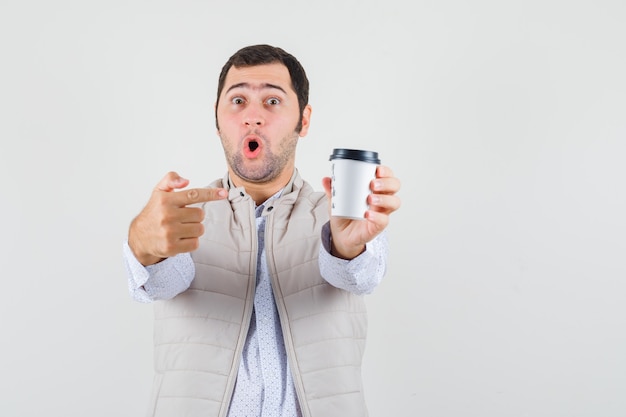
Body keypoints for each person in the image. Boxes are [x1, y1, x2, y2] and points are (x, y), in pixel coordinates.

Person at [123, 44, 401, 417]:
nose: (253, 117)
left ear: (303, 120)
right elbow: (160, 282)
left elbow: (363, 277)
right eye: (238, 101)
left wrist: (347, 249)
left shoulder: (341, 216)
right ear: (217, 119)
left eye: (272, 101)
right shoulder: (182, 216)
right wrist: (143, 244)